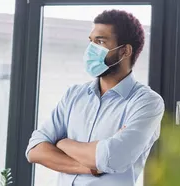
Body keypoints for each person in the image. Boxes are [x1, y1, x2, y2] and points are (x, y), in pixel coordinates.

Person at [26, 9, 164, 186]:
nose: (91, 49)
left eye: (100, 42)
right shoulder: (74, 95)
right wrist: (91, 167)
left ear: (125, 51)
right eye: (91, 41)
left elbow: (113, 158)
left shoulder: (147, 102)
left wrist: (63, 143)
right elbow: (35, 150)